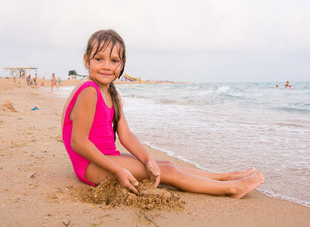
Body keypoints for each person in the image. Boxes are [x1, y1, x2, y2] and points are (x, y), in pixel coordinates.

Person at [61, 29, 264, 198]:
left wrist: (148, 159)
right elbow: (78, 142)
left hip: (104, 158)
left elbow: (126, 135)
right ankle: (233, 188)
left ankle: (223, 177)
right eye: (99, 59)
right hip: (90, 166)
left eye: (114, 61)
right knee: (169, 172)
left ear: (122, 64)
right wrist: (118, 170)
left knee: (163, 164)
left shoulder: (112, 92)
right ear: (87, 61)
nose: (107, 66)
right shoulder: (89, 91)